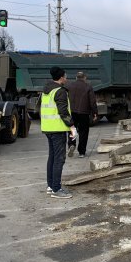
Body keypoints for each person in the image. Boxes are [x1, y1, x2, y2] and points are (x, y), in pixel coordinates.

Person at [41, 66, 76, 199]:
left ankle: (51, 186)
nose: (66, 78)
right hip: (58, 129)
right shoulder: (60, 91)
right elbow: (63, 111)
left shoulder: (47, 90)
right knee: (59, 159)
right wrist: (71, 125)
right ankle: (57, 189)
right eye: (65, 76)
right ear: (61, 77)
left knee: (52, 158)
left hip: (48, 128)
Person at [67, 71, 98, 158]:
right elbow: (92, 101)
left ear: (76, 78)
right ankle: (82, 152)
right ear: (85, 78)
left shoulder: (70, 86)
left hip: (72, 112)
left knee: (73, 129)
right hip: (84, 113)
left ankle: (71, 144)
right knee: (83, 131)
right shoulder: (88, 86)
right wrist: (95, 113)